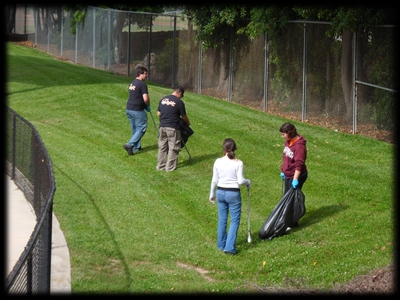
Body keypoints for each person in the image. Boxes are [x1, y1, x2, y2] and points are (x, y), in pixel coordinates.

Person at [209, 138, 251, 255]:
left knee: (222, 219)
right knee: (235, 220)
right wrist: (248, 182)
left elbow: (214, 180)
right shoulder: (238, 163)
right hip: (233, 193)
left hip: (220, 192)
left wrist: (212, 193)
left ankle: (221, 245)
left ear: (224, 148)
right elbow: (240, 180)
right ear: (235, 148)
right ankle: (229, 247)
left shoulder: (218, 161)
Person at [279, 122, 308, 228]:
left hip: (297, 175)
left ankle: (292, 223)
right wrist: (283, 170)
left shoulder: (299, 147)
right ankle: (288, 220)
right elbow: (286, 157)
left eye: (283, 134)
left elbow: (299, 165)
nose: (282, 136)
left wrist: (295, 179)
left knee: (291, 199)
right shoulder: (288, 142)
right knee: (286, 198)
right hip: (288, 174)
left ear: (289, 133)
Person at [156, 86, 190, 172]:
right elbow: (184, 116)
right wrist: (187, 123)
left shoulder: (163, 99)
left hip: (162, 126)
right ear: (180, 93)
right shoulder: (179, 102)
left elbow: (159, 113)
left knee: (162, 147)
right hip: (173, 128)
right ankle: (169, 168)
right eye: (181, 95)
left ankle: (160, 166)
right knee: (173, 147)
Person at [123, 66, 151, 156]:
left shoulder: (132, 83)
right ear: (140, 74)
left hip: (129, 109)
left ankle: (136, 147)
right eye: (145, 74)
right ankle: (130, 144)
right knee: (141, 128)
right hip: (137, 110)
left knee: (135, 129)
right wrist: (147, 105)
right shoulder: (142, 84)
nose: (146, 76)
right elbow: (145, 98)